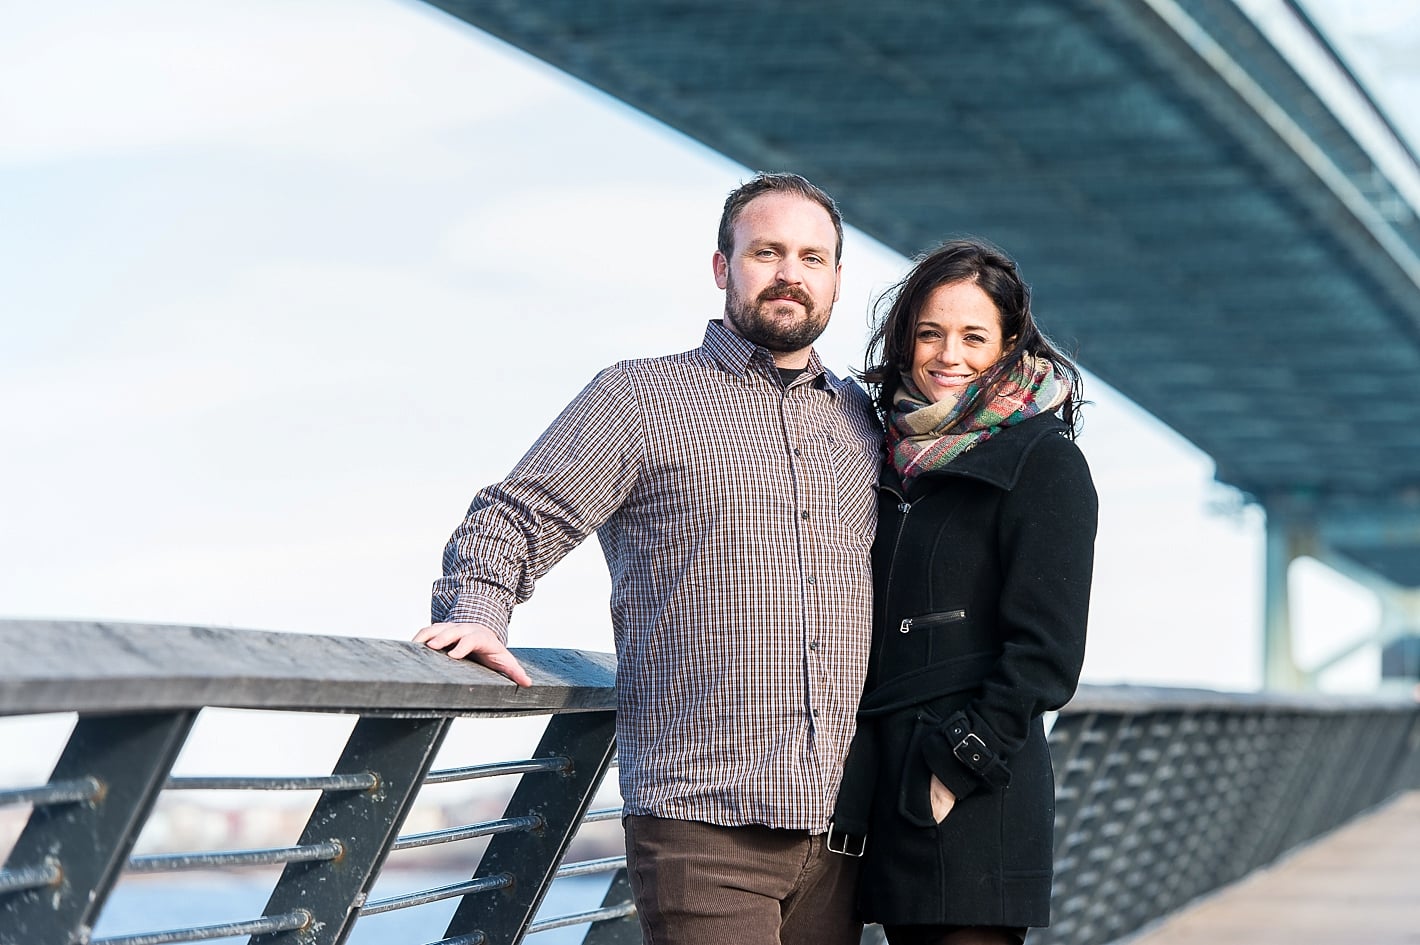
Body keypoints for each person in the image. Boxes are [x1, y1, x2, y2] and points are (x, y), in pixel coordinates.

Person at [415, 172, 882, 945]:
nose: (790, 273)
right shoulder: (642, 397)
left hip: (842, 834)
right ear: (721, 266)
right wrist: (475, 609)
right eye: (766, 251)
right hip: (704, 828)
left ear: (835, 277)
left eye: (813, 256)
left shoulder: (864, 419)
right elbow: (518, 513)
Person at [830, 238, 1098, 945]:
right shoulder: (888, 456)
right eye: (930, 332)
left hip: (975, 788)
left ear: (1008, 345)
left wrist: (957, 764)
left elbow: (1047, 653)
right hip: (890, 786)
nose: (949, 354)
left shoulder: (1044, 458)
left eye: (973, 336)